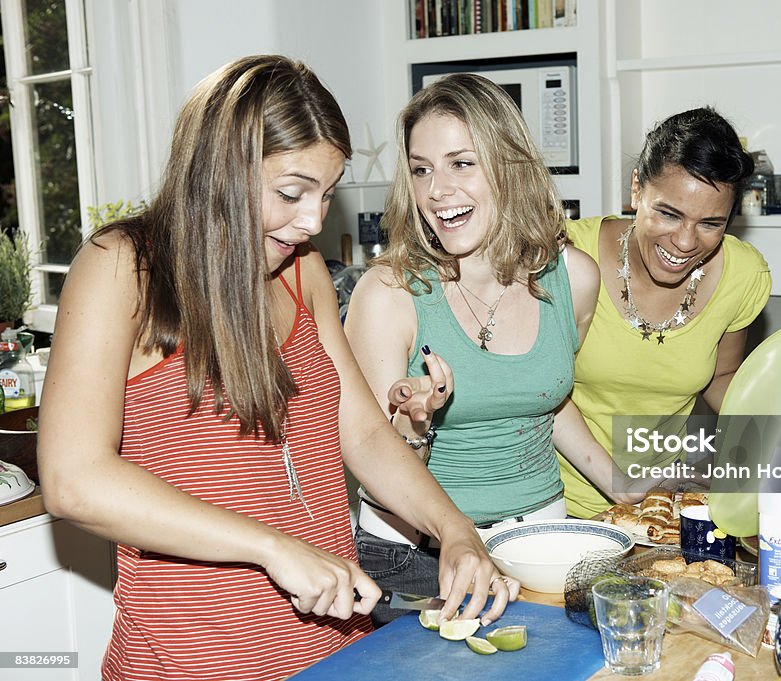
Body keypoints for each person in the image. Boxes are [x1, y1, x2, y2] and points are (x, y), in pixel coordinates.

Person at [36, 55, 512, 681]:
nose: (313, 220)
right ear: (219, 172)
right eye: (291, 193)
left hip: (335, 652)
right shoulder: (125, 266)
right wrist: (271, 547)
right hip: (191, 661)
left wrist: (453, 530)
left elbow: (364, 432)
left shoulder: (301, 269)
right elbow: (75, 480)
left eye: (327, 195)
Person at [343, 73, 640, 624]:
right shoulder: (388, 294)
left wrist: (624, 485)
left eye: (461, 163)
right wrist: (414, 425)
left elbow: (547, 400)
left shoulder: (573, 277)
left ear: (510, 165)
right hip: (417, 558)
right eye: (422, 169)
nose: (437, 191)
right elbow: (373, 453)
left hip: (544, 544)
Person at [556, 107, 773, 519]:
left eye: (712, 223)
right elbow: (537, 392)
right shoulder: (567, 258)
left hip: (658, 503)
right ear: (636, 187)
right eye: (668, 214)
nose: (686, 242)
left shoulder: (744, 276)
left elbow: (721, 377)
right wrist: (618, 482)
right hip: (554, 501)